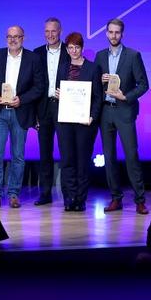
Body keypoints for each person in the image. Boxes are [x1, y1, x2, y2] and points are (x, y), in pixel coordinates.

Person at [94, 18, 150, 214]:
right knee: (109, 157)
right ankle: (115, 198)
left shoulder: (133, 55)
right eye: (110, 32)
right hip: (105, 111)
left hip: (124, 110)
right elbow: (94, 85)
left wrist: (126, 96)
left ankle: (140, 200)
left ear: (122, 34)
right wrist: (99, 79)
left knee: (131, 155)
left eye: (117, 32)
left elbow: (143, 84)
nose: (114, 35)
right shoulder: (100, 56)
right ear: (106, 33)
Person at [0, 25, 42, 209]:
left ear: (23, 38)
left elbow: (39, 87)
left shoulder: (33, 59)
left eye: (17, 36)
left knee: (18, 156)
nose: (13, 40)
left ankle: (13, 194)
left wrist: (22, 100)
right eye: (10, 36)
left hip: (21, 112)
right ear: (6, 38)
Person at [56, 32, 103, 212]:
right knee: (67, 160)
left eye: (76, 47)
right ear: (66, 49)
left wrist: (92, 116)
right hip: (66, 120)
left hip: (85, 122)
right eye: (70, 47)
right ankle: (69, 198)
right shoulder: (62, 67)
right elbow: (59, 91)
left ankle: (80, 199)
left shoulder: (93, 68)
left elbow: (98, 97)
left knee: (82, 161)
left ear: (82, 48)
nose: (73, 51)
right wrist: (59, 94)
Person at [31, 17, 69, 206]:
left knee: (66, 152)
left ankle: (68, 194)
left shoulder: (69, 51)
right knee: (45, 153)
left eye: (53, 31)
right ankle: (45, 193)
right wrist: (34, 115)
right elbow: (32, 84)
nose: (50, 35)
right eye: (47, 31)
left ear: (60, 31)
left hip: (65, 107)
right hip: (43, 108)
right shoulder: (37, 53)